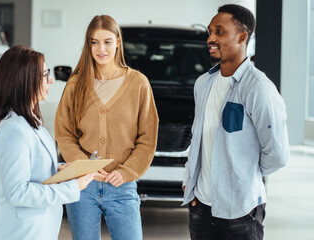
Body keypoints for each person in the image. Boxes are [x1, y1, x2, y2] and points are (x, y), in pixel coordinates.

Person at [182, 4, 290, 240]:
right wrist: (189, 181)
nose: (210, 38)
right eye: (210, 32)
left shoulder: (259, 88)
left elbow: (277, 155)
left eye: (219, 32)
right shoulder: (203, 84)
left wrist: (242, 178)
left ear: (242, 36)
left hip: (240, 211)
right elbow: (199, 137)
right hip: (200, 206)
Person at [55, 15, 159, 240]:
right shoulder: (76, 84)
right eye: (94, 42)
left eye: (107, 41)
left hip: (122, 186)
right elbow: (64, 132)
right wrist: (83, 167)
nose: (100, 48)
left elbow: (147, 137)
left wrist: (126, 172)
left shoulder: (139, 83)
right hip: (83, 186)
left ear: (118, 42)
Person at [0, 45, 94, 240]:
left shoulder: (30, 122)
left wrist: (59, 170)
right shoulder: (14, 131)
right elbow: (18, 192)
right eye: (45, 75)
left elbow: (32, 169)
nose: (51, 80)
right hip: (20, 232)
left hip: (36, 230)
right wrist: (72, 187)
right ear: (25, 81)